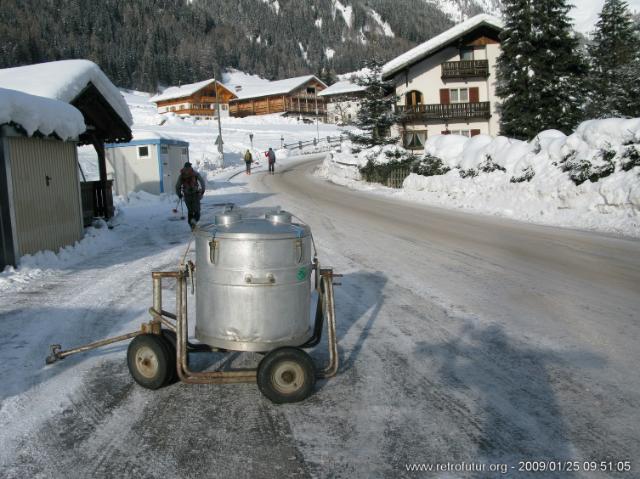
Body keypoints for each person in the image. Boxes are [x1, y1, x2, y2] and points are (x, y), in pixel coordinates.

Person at [175, 161, 206, 228]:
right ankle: (194, 221)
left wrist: (179, 194)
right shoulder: (195, 173)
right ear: (190, 166)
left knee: (190, 211)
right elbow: (202, 182)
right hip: (195, 195)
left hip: (187, 196)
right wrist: (203, 191)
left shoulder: (182, 175)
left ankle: (191, 225)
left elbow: (177, 186)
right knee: (197, 211)